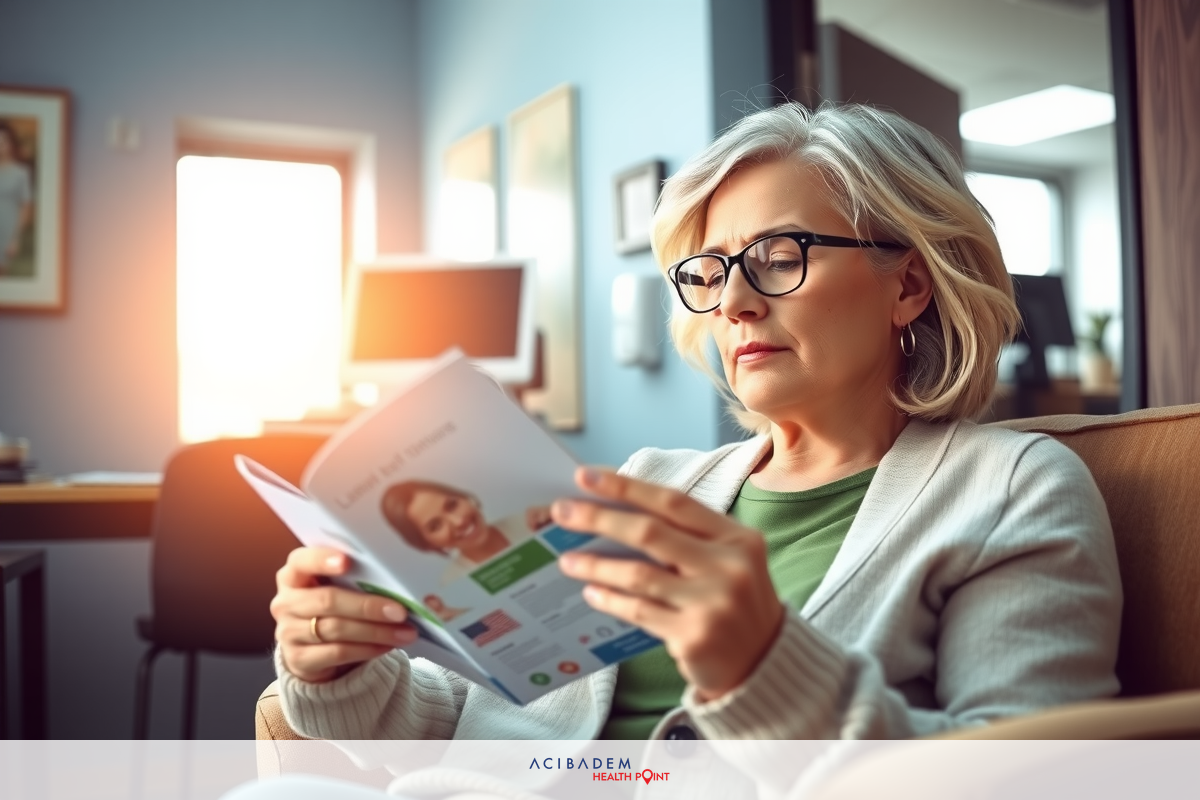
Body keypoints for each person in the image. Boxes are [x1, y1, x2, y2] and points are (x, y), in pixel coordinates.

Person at [268, 103, 1119, 753]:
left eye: (780, 257)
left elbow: (1028, 774)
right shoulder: (653, 481)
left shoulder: (1009, 489)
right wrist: (346, 671)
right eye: (710, 272)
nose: (734, 301)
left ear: (908, 286)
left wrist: (765, 669)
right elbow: (496, 724)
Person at [379, 479, 549, 583]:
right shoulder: (454, 585)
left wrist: (557, 518)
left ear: (464, 497)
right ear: (427, 544)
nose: (459, 521)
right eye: (435, 526)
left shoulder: (532, 522)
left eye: (452, 505)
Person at [0, 122, 33, 274]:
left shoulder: (21, 173)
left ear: (10, 144)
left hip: (8, 231)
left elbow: (26, 207)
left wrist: (16, 239)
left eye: (4, 141)